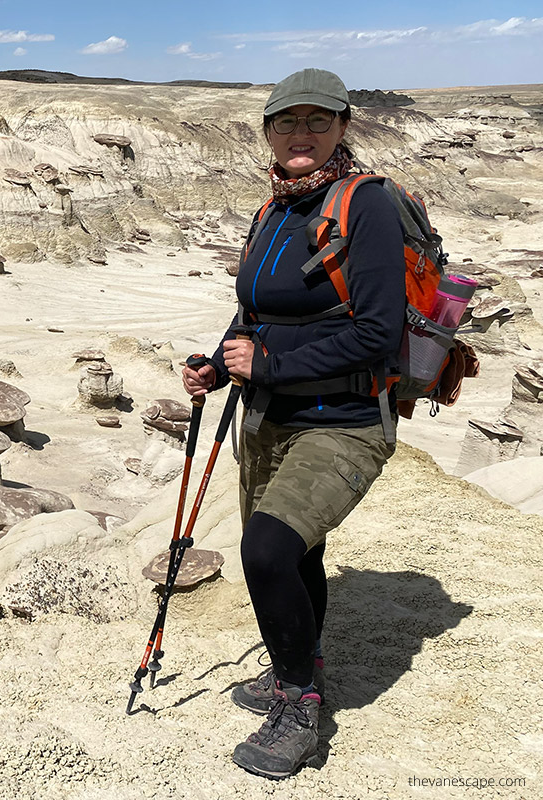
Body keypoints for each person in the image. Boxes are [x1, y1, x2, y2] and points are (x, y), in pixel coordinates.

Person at [182, 68, 404, 779]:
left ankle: (299, 706)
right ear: (268, 134)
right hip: (267, 420)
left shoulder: (366, 205)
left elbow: (379, 333)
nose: (300, 134)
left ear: (343, 127)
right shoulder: (273, 210)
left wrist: (268, 363)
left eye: (316, 121)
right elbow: (252, 316)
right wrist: (218, 365)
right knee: (298, 553)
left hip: (342, 420)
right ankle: (293, 666)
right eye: (286, 122)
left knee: (269, 551)